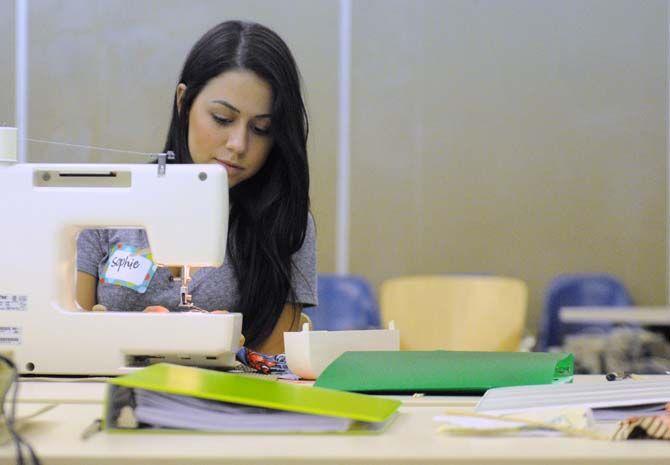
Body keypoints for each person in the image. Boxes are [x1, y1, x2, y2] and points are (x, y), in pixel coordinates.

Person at [76, 20, 316, 355]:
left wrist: (232, 352)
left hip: (226, 403)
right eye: (222, 118)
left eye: (261, 128)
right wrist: (120, 337)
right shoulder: (106, 208)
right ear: (184, 103)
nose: (238, 144)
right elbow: (73, 346)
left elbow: (275, 366)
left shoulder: (284, 221)